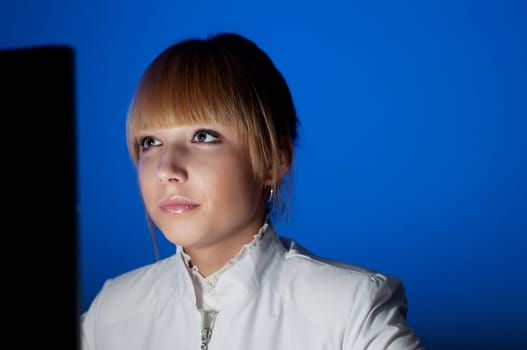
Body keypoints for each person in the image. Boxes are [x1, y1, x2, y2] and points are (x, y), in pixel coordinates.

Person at [80, 32, 425, 350]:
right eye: (150, 142)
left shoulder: (351, 310)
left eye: (203, 136)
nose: (167, 169)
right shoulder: (109, 313)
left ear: (274, 160)